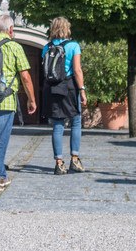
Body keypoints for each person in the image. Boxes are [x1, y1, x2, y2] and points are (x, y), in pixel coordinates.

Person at [0, 14, 36, 193]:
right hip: (5, 101)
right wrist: (31, 100)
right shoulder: (14, 47)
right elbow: (25, 77)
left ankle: (1, 175)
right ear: (10, 29)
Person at [41, 17, 85, 175]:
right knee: (76, 121)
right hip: (69, 87)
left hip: (52, 88)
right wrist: (82, 90)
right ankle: (75, 159)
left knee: (57, 125)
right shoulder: (74, 46)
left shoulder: (46, 48)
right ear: (67, 28)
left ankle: (59, 163)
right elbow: (77, 70)